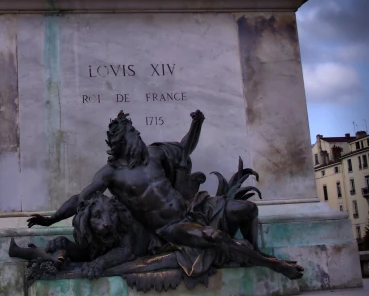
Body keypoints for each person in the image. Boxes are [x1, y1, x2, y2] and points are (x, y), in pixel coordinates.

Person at [28, 111, 303, 281]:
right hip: (171, 227)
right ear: (124, 140)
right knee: (215, 237)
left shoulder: (154, 154)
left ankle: (253, 253)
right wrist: (51, 220)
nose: (139, 135)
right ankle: (275, 266)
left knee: (247, 210)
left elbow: (185, 149)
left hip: (194, 208)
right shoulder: (110, 174)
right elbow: (80, 198)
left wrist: (197, 123)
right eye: (134, 133)